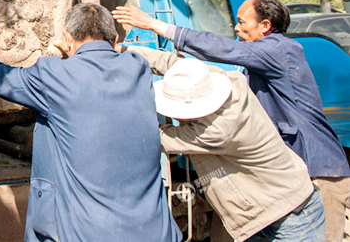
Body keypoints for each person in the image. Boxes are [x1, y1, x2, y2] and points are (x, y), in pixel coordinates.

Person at [113, 0, 350, 241]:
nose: (235, 28)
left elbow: (224, 49)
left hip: (318, 173)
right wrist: (123, 50)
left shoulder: (280, 49)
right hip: (276, 187)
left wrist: (156, 25)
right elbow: (176, 64)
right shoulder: (245, 72)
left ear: (265, 26)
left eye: (242, 21)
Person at [0, 3, 181, 242]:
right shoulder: (138, 68)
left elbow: (5, 80)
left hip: (85, 233)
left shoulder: (54, 75)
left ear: (68, 36)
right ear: (115, 39)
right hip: (155, 230)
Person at [133, 45, 326, 241]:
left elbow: (157, 136)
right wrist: (124, 51)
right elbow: (174, 65)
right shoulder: (223, 81)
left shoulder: (220, 130)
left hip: (287, 216)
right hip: (265, 210)